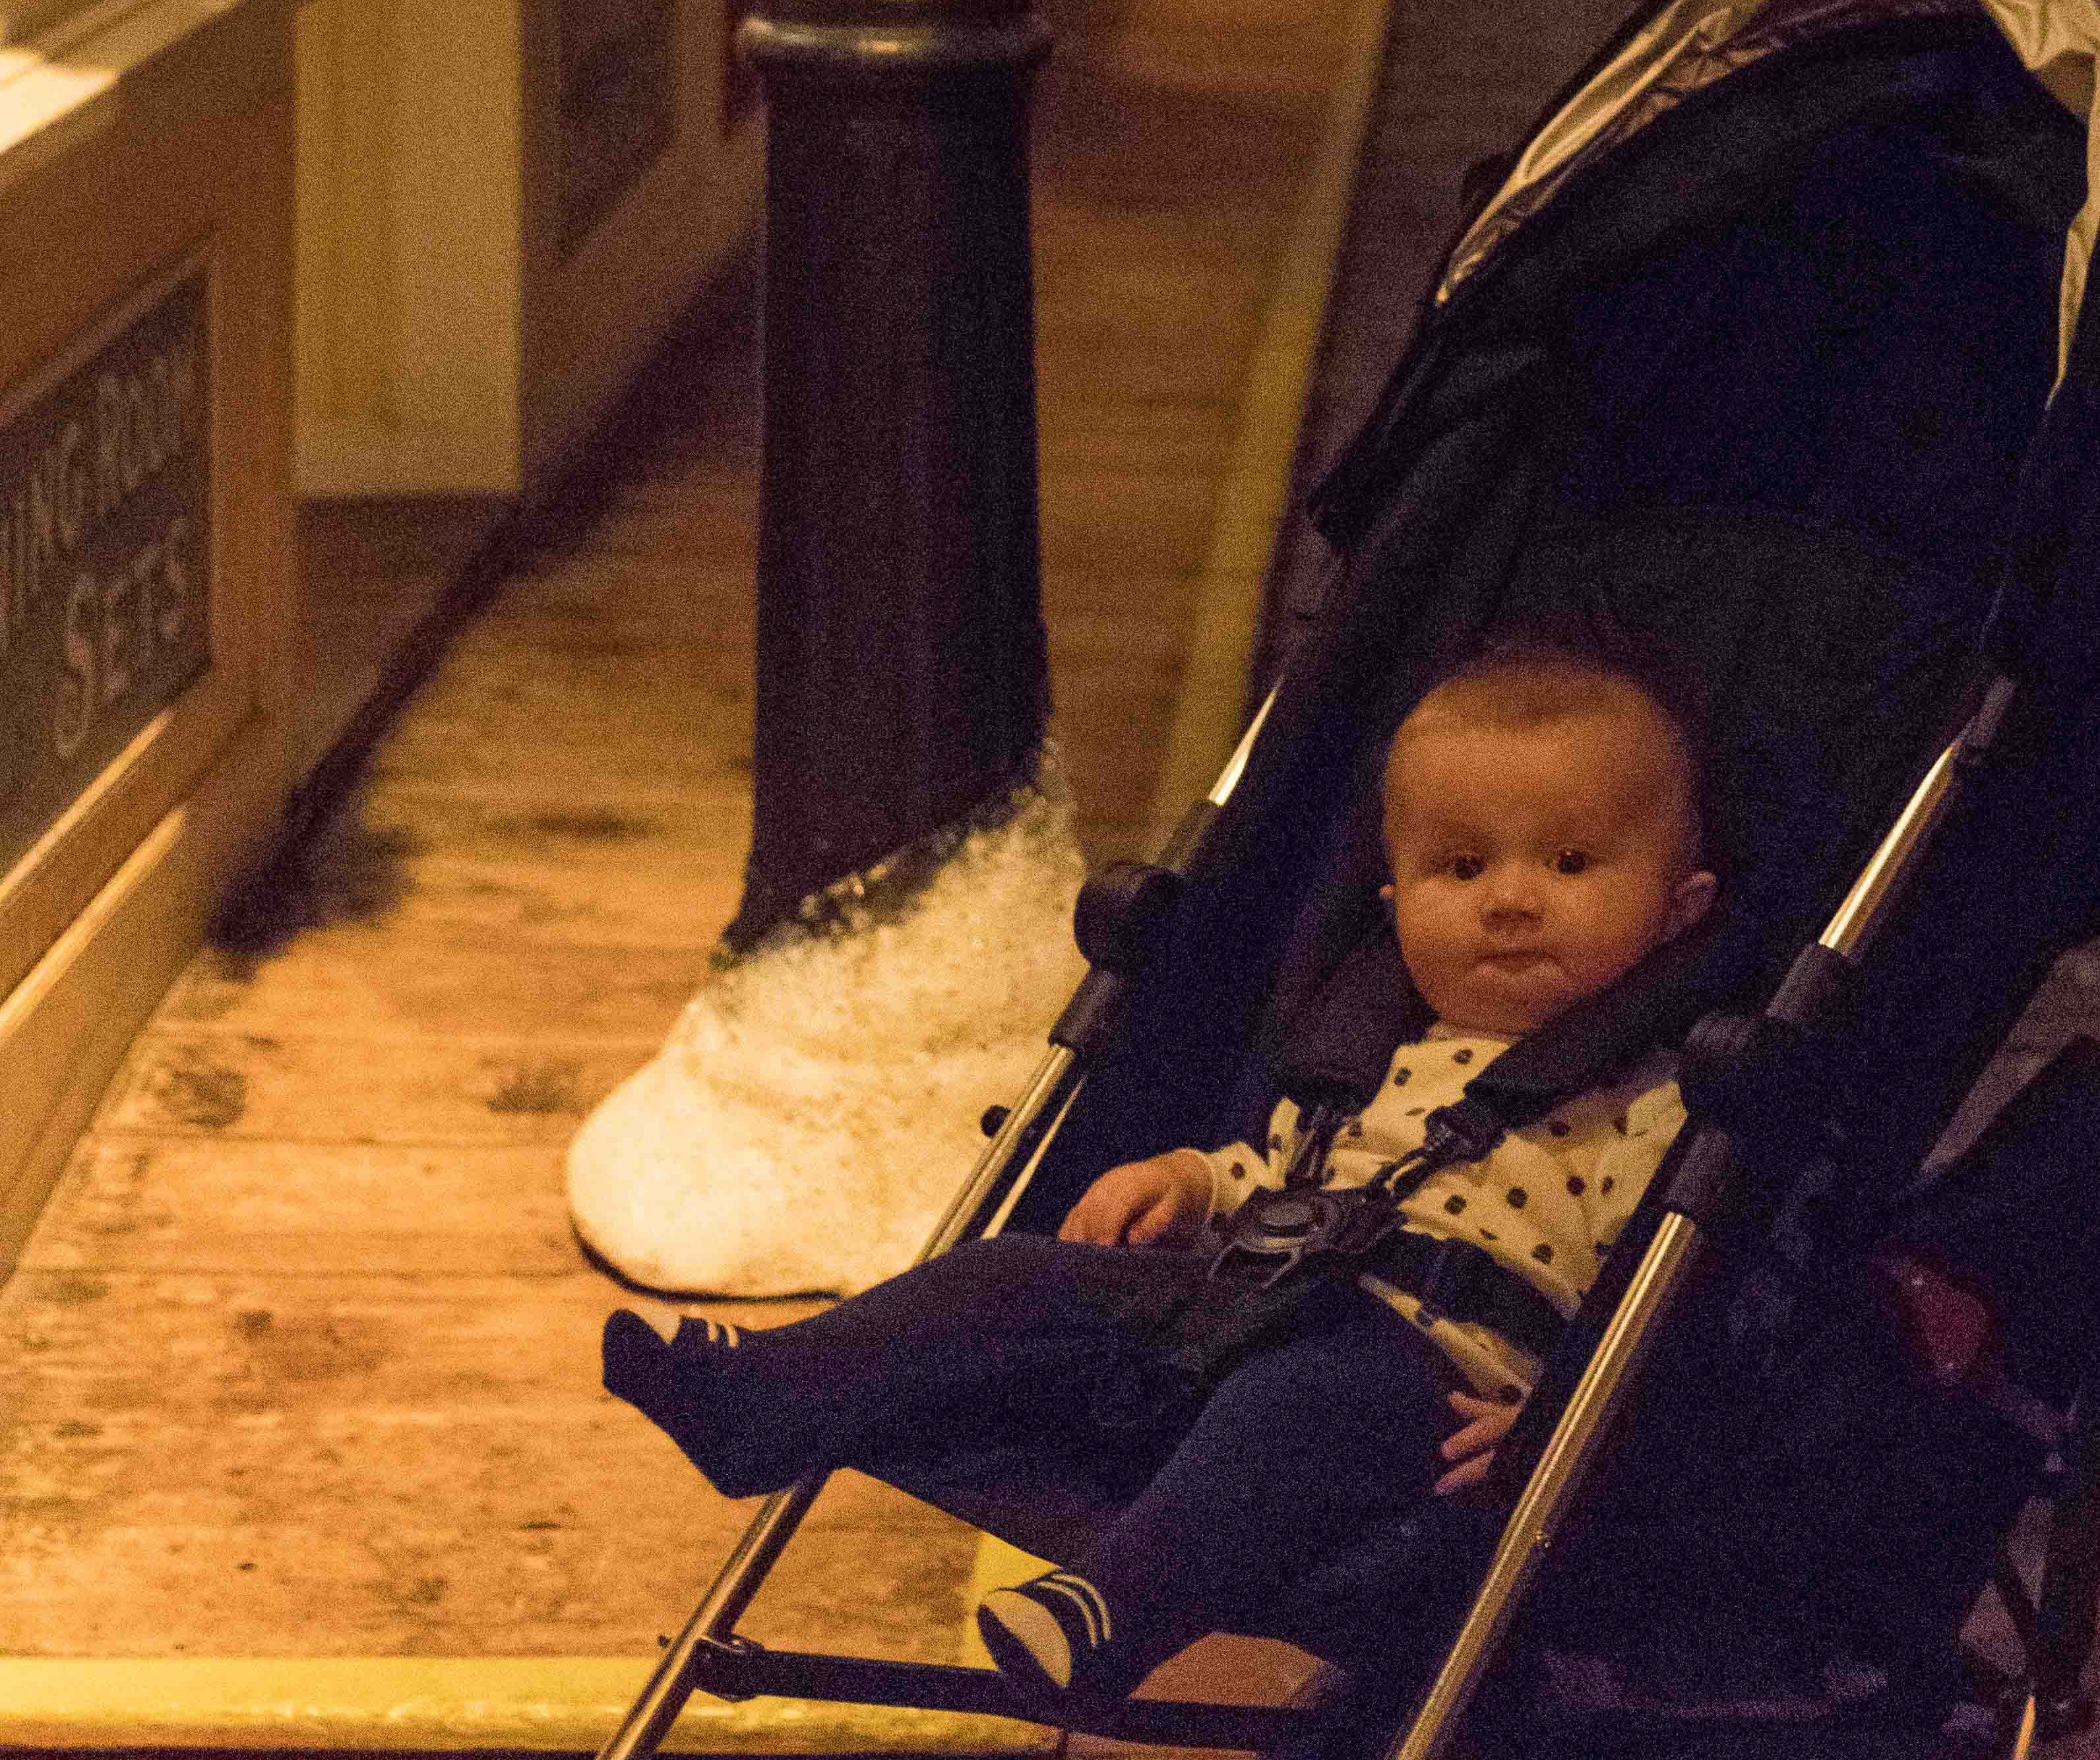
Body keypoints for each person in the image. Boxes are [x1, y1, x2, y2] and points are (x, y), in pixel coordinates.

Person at [602, 645, 1717, 1715]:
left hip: (1421, 1379)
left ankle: (1113, 1613)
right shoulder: (1364, 1054)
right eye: (1462, 868)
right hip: (1243, 1300)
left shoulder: (1657, 1104)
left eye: (1569, 864)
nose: (1511, 900)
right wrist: (1187, 1177)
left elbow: (1675, 1307)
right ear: (1392, 906)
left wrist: (1566, 1418)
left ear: (1682, 909)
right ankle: (765, 1397)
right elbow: (1283, 1175)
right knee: (1013, 1276)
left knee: (1301, 1401)